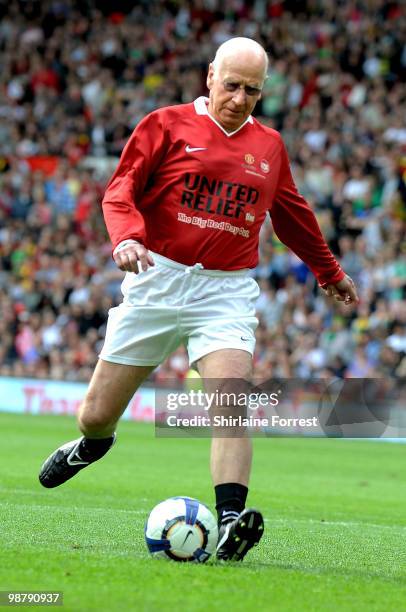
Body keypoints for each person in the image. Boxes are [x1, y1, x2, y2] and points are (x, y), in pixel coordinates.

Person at [39, 37, 358, 562]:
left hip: (225, 290)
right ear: (210, 76)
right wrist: (126, 238)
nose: (239, 98)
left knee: (232, 402)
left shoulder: (270, 146)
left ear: (263, 92)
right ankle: (93, 445)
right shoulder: (164, 125)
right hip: (156, 279)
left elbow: (293, 214)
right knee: (95, 415)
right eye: (231, 85)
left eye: (252, 91)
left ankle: (231, 520)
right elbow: (120, 189)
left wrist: (329, 271)